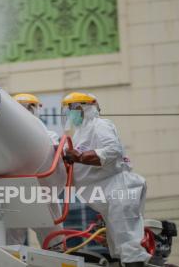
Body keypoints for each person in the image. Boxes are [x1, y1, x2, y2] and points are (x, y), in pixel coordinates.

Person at [61, 92, 150, 267]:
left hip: (119, 189)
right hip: (107, 193)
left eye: (73, 108)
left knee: (128, 242)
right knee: (118, 246)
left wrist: (79, 156)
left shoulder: (99, 125)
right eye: (68, 109)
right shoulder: (79, 134)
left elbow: (112, 150)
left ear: (85, 107)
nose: (70, 113)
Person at [12, 93, 66, 248]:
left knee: (10, 241)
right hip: (39, 190)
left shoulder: (45, 134)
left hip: (13, 191)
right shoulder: (46, 133)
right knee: (53, 240)